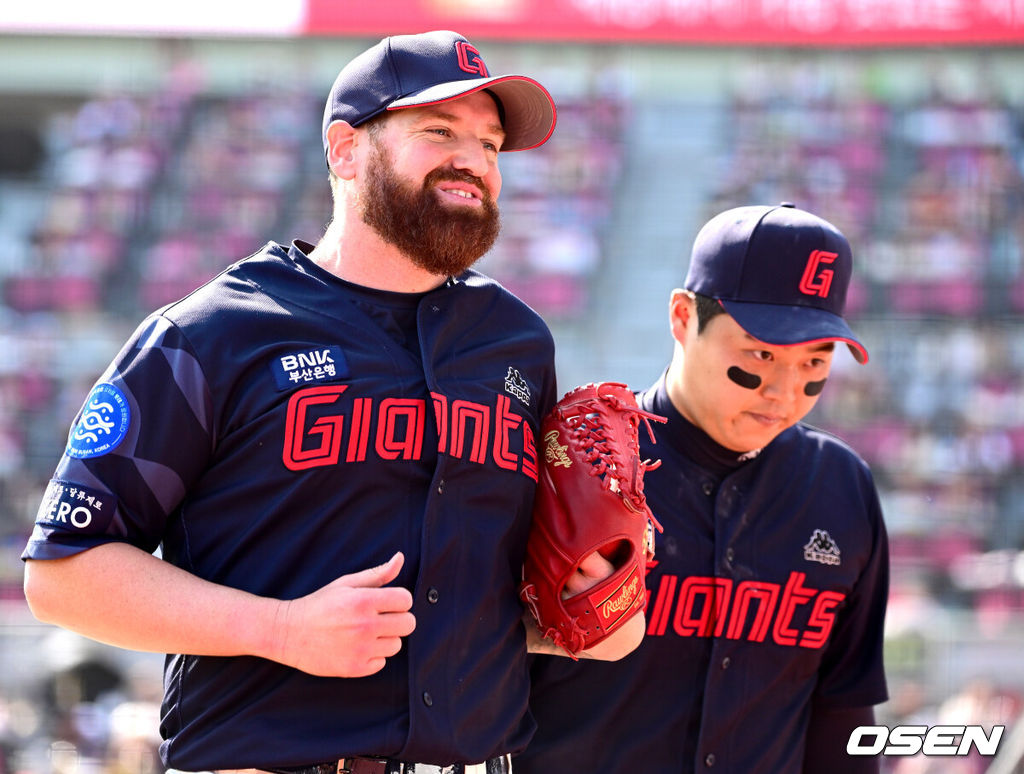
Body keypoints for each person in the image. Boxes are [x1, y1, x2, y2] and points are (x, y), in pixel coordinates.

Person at [21, 30, 636, 774]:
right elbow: (62, 574)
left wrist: (588, 589)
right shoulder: (213, 332)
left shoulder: (516, 342)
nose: (473, 160)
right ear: (345, 150)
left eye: (490, 143)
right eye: (439, 131)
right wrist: (278, 628)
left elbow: (492, 594)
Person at [515, 203, 890, 774]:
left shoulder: (843, 489)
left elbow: (842, 711)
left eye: (815, 360)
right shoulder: (578, 466)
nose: (785, 392)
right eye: (761, 354)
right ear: (683, 318)